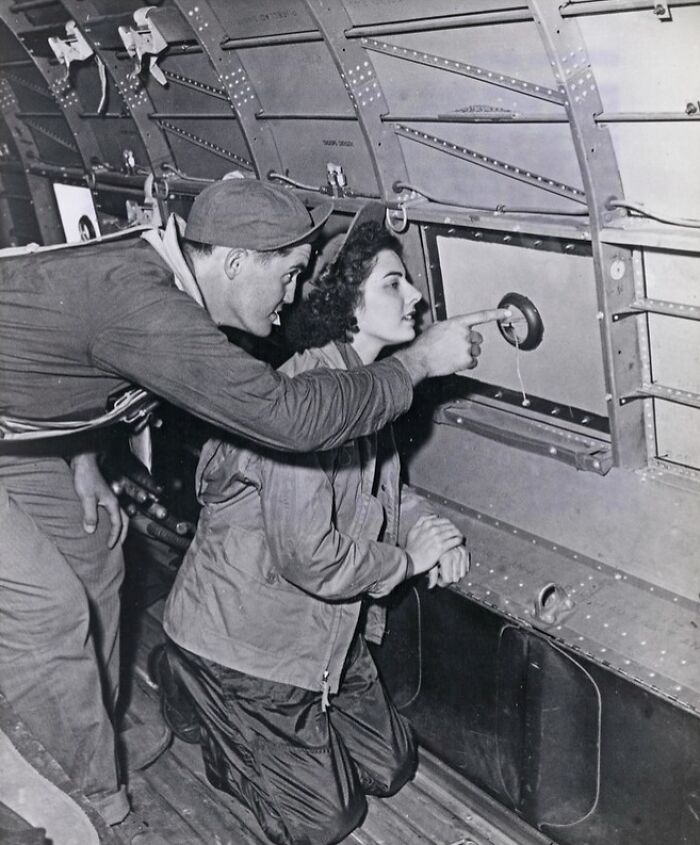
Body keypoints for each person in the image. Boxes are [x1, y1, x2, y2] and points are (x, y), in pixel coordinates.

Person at [0, 177, 507, 828]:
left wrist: (83, 457)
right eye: (289, 273)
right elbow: (289, 420)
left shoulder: (157, 290)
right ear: (236, 263)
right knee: (48, 609)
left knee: (95, 552)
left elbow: (83, 367)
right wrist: (415, 366)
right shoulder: (151, 305)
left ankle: (97, 726)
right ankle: (86, 798)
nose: (293, 293)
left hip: (17, 429)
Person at [161, 220, 474, 845]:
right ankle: (202, 701)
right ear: (346, 303)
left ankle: (249, 720)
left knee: (391, 768)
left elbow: (373, 493)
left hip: (321, 631)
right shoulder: (308, 396)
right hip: (248, 644)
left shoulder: (364, 391)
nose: (414, 297)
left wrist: (428, 530)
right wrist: (408, 562)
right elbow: (310, 557)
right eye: (394, 283)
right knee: (328, 820)